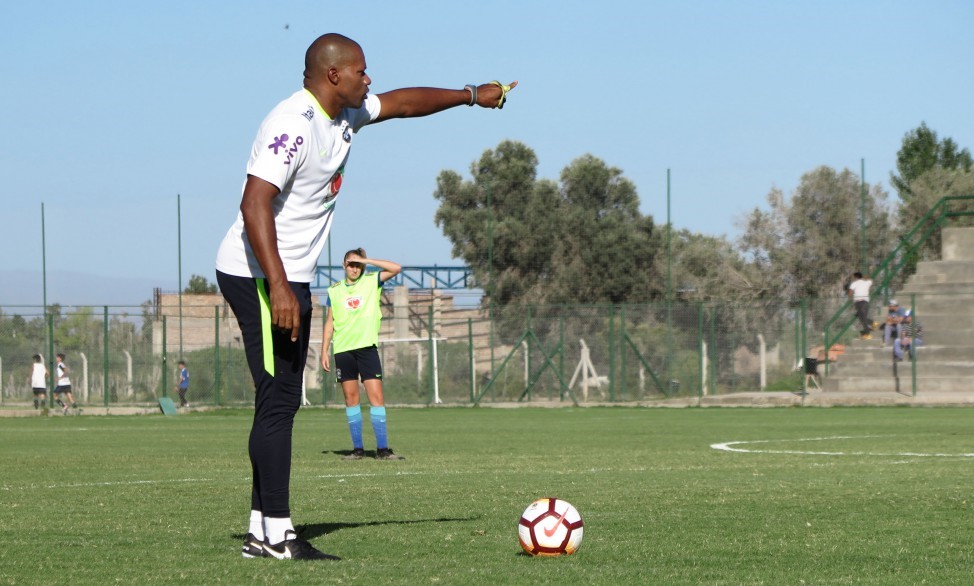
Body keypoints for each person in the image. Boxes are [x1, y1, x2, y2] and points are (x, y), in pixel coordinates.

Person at [214, 33, 515, 561]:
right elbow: (253, 203)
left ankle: (263, 530)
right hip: (258, 275)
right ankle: (277, 536)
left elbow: (402, 103)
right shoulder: (293, 124)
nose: (368, 79)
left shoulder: (343, 116)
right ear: (333, 75)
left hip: (287, 277)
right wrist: (281, 286)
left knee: (279, 399)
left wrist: (470, 95)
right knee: (279, 400)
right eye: (360, 71)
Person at [321, 249, 403, 461]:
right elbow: (329, 323)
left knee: (376, 398)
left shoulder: (371, 281)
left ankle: (383, 450)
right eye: (351, 264)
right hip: (343, 350)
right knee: (351, 399)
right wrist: (324, 350)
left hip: (367, 348)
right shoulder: (334, 290)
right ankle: (357, 449)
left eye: (357, 264)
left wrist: (366, 259)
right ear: (344, 265)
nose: (354, 268)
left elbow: (396, 268)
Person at [847, 272, 874, 340]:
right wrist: (867, 277)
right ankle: (872, 323)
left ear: (856, 277)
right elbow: (871, 280)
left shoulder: (854, 283)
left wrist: (850, 299)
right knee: (862, 317)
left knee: (862, 318)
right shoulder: (866, 282)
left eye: (853, 277)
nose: (853, 279)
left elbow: (850, 292)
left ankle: (868, 334)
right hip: (865, 301)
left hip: (858, 302)